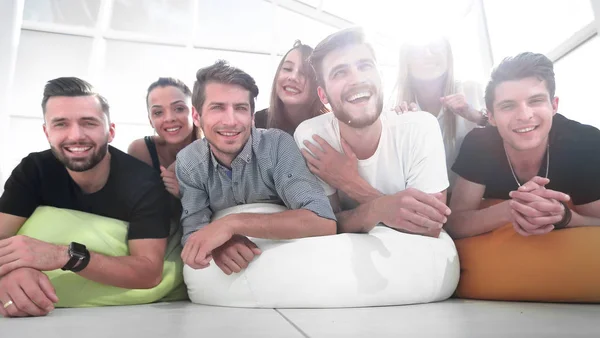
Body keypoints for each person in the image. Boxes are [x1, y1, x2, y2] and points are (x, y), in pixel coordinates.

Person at [0, 77, 171, 318]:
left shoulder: (144, 183)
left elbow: (149, 273)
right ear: (46, 132)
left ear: (110, 131)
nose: (76, 136)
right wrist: (8, 273)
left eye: (89, 123)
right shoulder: (34, 170)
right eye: (61, 124)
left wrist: (63, 255)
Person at [176, 60, 336, 276]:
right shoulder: (189, 162)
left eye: (240, 108)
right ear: (196, 116)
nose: (231, 121)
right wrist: (219, 244)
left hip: (288, 266)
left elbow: (323, 222)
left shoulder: (277, 146)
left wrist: (232, 224)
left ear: (252, 117)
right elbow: (193, 231)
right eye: (217, 108)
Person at [294, 27, 451, 237]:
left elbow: (429, 227)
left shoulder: (420, 127)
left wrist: (351, 184)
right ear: (323, 96)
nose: (357, 79)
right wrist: (379, 208)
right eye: (339, 72)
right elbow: (325, 224)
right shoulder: (313, 137)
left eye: (365, 66)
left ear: (381, 78)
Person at [446, 52, 600, 239]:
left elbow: (595, 220)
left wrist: (566, 217)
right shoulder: (480, 144)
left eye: (535, 101)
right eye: (508, 106)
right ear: (491, 116)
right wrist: (513, 208)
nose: (524, 115)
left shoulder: (584, 142)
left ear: (554, 106)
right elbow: (455, 223)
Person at [394, 37, 486, 189]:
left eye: (435, 46)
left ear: (448, 55)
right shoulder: (394, 107)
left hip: (473, 198)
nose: (428, 54)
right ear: (406, 60)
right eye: (418, 50)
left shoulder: (473, 90)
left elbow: (505, 136)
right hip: (425, 200)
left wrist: (474, 115)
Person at [128, 77, 199, 198]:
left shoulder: (214, 150)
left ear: (194, 113)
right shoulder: (140, 150)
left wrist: (187, 194)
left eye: (179, 109)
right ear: (150, 121)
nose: (169, 118)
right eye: (158, 112)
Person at [254, 40, 327, 134]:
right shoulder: (259, 122)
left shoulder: (330, 128)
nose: (293, 77)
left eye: (304, 72)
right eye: (287, 68)